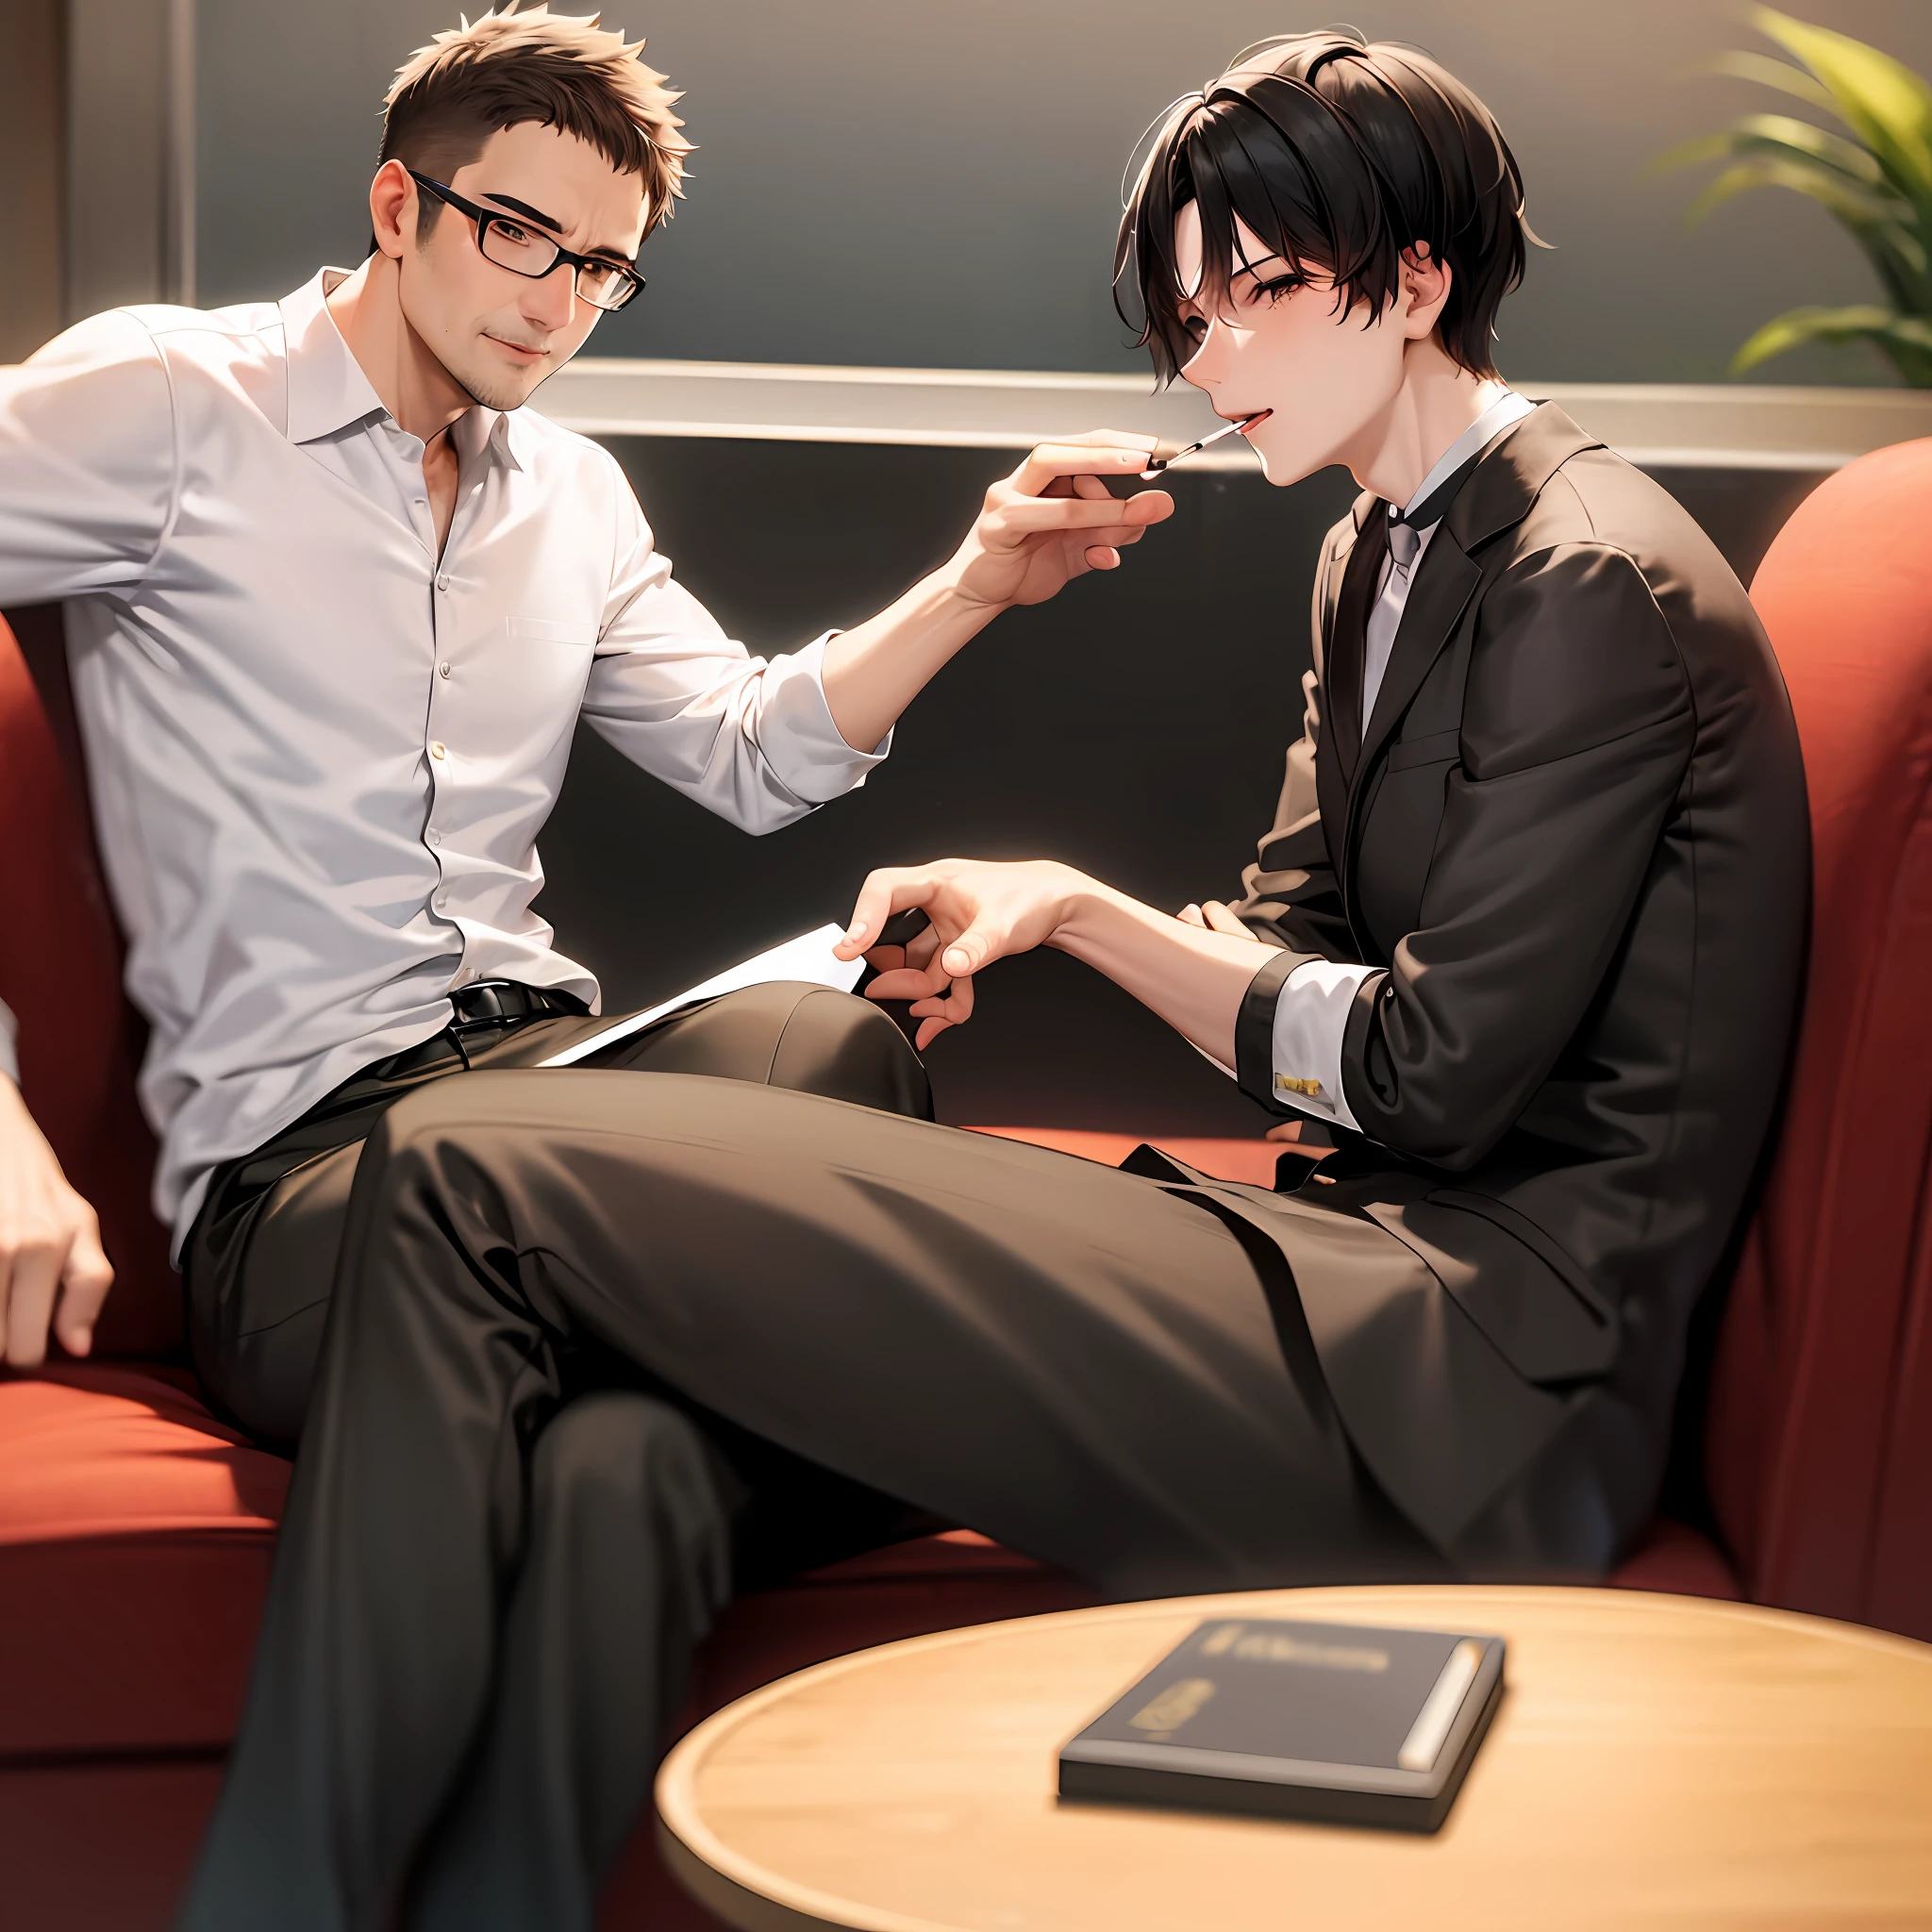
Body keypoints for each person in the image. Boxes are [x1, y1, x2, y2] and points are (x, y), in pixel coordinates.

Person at [0, 5, 1174, 1924]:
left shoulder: (573, 493)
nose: (559, 303)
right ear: (400, 202)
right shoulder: (171, 404)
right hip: (311, 1187)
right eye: (514, 234)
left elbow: (751, 749)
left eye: (604, 265)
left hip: (554, 1086)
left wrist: (979, 577)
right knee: (657, 1398)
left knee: (825, 1054)